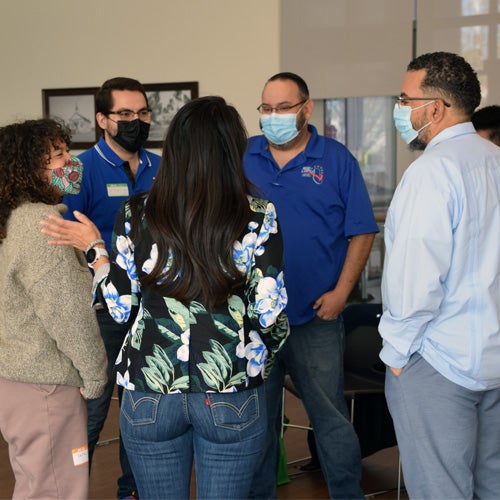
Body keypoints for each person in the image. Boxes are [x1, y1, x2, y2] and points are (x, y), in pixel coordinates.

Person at [41, 95, 290, 500]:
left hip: (149, 387)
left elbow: (120, 308)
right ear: (234, 150)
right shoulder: (259, 215)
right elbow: (269, 311)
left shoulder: (135, 212)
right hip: (229, 383)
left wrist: (96, 253)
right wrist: (263, 354)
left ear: (173, 148)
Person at [244, 72, 378, 499]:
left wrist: (341, 294)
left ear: (307, 108)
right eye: (266, 109)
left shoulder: (336, 159)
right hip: (255, 321)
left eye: (284, 108)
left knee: (330, 417)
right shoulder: (243, 156)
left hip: (316, 316)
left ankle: (347, 494)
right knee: (259, 423)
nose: (274, 116)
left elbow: (362, 231)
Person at [379, 51, 500, 498]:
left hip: (437, 359)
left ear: (434, 108)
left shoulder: (432, 172)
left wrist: (396, 354)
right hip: (492, 357)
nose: (399, 109)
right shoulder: (495, 159)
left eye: (404, 98)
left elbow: (415, 277)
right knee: (491, 484)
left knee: (439, 489)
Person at [62, 76, 161, 500]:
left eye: (142, 113)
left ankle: (132, 492)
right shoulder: (74, 169)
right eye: (124, 114)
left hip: (154, 313)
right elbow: (59, 239)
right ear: (102, 119)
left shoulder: (163, 166)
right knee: (89, 413)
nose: (136, 121)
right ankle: (66, 491)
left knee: (144, 415)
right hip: (101, 314)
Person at [0, 118, 107, 498]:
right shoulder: (42, 224)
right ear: (28, 167)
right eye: (57, 155)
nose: (70, 162)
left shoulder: (12, 219)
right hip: (46, 383)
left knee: (36, 484)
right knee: (58, 489)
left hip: (16, 380)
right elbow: (66, 312)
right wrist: (95, 375)